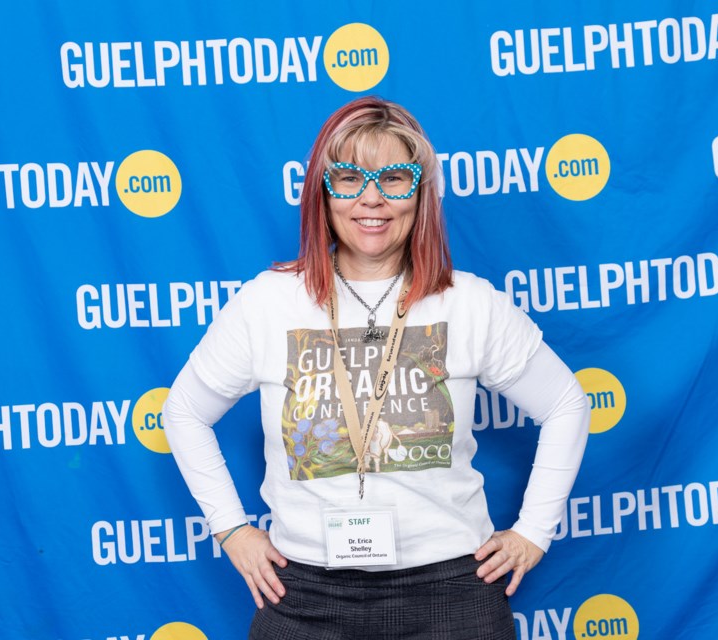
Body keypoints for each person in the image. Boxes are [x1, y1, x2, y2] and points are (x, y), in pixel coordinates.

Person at [163, 96, 590, 639]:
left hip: (452, 596)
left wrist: (533, 532)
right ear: (323, 191)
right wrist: (230, 530)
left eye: (394, 178)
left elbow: (565, 404)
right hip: (306, 595)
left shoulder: (469, 303)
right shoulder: (267, 303)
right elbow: (183, 412)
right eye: (349, 178)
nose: (372, 199)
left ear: (421, 192)